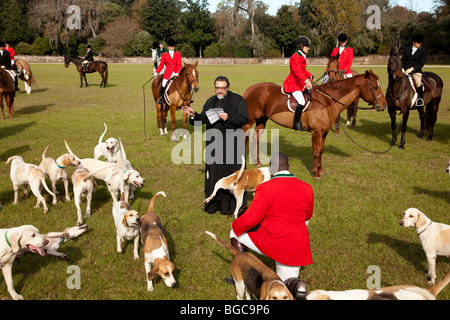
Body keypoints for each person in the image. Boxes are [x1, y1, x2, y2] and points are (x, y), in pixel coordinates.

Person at [230, 153, 314, 299]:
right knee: (286, 283)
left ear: (272, 168)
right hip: (297, 246)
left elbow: (250, 219)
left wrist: (235, 225)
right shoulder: (307, 188)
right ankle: (297, 286)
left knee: (235, 232)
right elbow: (307, 216)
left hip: (273, 241)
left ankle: (244, 273)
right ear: (288, 167)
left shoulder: (265, 188)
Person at [182, 76, 249, 215]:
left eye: (223, 88)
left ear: (228, 88)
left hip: (233, 145)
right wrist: (194, 114)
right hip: (214, 145)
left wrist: (228, 118)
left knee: (233, 176)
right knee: (214, 175)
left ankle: (234, 207)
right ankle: (213, 205)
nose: (220, 90)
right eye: (217, 87)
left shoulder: (238, 100)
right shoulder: (210, 101)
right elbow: (202, 120)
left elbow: (244, 118)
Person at [283, 36, 314, 132]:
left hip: (300, 82)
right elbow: (297, 72)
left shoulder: (301, 56)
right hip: (293, 83)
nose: (308, 48)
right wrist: (306, 81)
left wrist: (310, 75)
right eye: (306, 46)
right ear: (301, 46)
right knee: (301, 101)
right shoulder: (295, 57)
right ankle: (296, 123)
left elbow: (303, 70)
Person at [153, 38, 182, 105]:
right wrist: (156, 72)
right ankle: (161, 98)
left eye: (173, 46)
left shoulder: (178, 53)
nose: (172, 47)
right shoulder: (164, 54)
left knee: (183, 82)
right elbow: (161, 65)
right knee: (163, 84)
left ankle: (187, 97)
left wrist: (177, 72)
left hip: (176, 73)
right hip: (168, 74)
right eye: (171, 46)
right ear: (168, 46)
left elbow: (179, 64)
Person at [402, 34, 427, 107]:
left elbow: (421, 63)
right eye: (418, 42)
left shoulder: (423, 51)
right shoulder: (407, 49)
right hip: (405, 70)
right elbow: (403, 60)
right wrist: (402, 68)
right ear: (414, 42)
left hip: (416, 71)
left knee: (418, 83)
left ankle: (420, 99)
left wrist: (412, 69)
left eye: (421, 43)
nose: (420, 44)